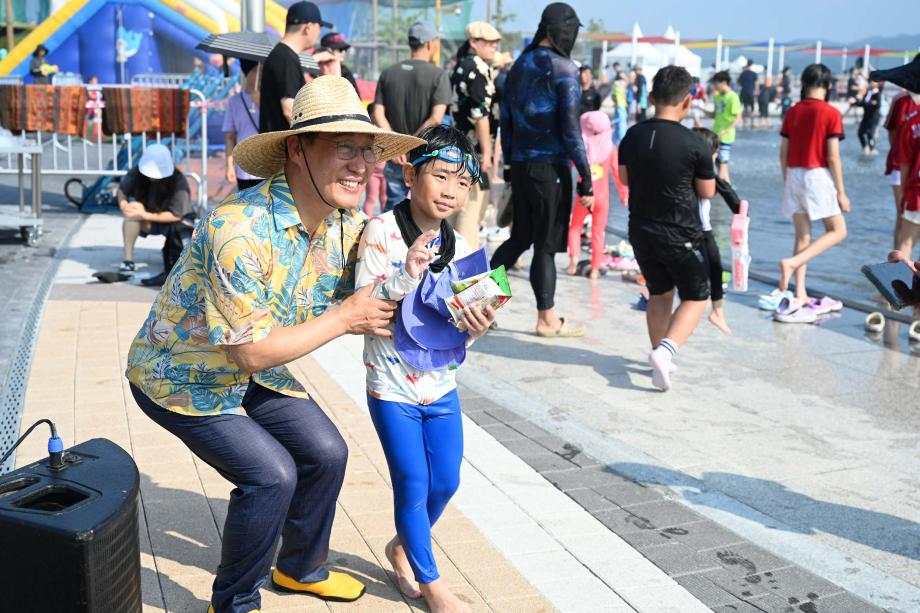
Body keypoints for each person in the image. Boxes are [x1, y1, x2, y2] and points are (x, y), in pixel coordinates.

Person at [124, 76, 424, 613]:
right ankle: (234, 601)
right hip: (180, 376)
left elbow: (391, 285)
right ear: (296, 148)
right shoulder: (238, 228)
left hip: (252, 372)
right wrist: (346, 317)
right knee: (271, 475)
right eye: (343, 148)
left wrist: (460, 303)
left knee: (326, 453)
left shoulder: (347, 225)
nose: (360, 164)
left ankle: (299, 568)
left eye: (367, 151)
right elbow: (251, 352)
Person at [355, 125, 495, 613]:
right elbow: (363, 305)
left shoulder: (459, 241)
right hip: (391, 385)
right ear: (410, 173)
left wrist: (479, 321)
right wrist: (406, 273)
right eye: (440, 176)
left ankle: (401, 546)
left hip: (441, 386)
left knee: (446, 482)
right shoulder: (380, 230)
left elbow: (460, 327)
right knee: (413, 482)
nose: (451, 191)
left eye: (462, 182)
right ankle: (432, 585)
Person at [491, 2, 592, 338]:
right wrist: (587, 179)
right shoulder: (564, 69)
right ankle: (547, 319)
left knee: (519, 238)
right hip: (551, 168)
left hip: (520, 164)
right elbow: (571, 130)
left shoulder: (518, 66)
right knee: (545, 247)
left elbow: (505, 120)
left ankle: (477, 303)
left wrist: (508, 165)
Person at [618, 65, 716, 391]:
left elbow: (624, 179)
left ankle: (659, 354)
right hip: (679, 232)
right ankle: (666, 351)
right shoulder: (695, 143)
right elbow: (707, 191)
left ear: (650, 97)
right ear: (688, 102)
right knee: (697, 295)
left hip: (640, 228)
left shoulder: (632, 135)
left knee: (659, 292)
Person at [777, 64, 850, 305]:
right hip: (816, 175)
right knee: (838, 230)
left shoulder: (793, 112)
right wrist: (841, 191)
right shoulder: (831, 113)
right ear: (827, 86)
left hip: (793, 174)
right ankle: (793, 263)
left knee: (802, 236)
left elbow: (783, 153)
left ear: (804, 83)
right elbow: (832, 156)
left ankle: (799, 292)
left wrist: (788, 180)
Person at [373, 22, 451, 211]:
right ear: (430, 43)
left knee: (393, 207)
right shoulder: (439, 75)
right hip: (423, 156)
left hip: (395, 157)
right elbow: (436, 118)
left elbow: (378, 113)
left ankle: (388, 241)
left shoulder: (388, 73)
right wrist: (412, 146)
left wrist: (396, 145)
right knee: (423, 210)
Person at [449, 20, 501, 249]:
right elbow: (480, 114)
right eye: (489, 42)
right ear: (474, 42)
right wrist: (487, 152)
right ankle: (467, 271)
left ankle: (443, 262)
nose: (494, 46)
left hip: (459, 145)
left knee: (456, 207)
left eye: (495, 42)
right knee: (471, 209)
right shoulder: (477, 69)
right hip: (474, 150)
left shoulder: (461, 66)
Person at [117, 144, 193, 287]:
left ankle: (171, 261)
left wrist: (144, 214)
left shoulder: (178, 180)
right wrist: (124, 205)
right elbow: (122, 191)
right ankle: (127, 260)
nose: (152, 177)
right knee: (132, 213)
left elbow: (176, 215)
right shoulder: (136, 173)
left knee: (177, 237)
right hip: (147, 218)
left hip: (173, 222)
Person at [565, 111, 628, 279]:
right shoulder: (611, 149)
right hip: (602, 197)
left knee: (575, 227)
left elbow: (568, 164)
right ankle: (594, 269)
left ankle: (573, 261)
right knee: (598, 232)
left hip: (583, 195)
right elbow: (617, 174)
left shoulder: (582, 147)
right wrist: (624, 194)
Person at [692, 127, 743, 334]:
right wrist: (740, 209)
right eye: (715, 153)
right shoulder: (701, 174)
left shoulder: (686, 171)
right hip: (698, 231)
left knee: (713, 268)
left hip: (695, 229)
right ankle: (705, 313)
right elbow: (720, 190)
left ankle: (715, 311)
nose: (715, 157)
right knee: (708, 270)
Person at [260, 1, 330, 133]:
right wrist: (312, 139)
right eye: (319, 26)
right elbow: (290, 109)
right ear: (308, 28)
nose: (319, 33)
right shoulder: (285, 58)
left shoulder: (283, 55)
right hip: (283, 148)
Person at [884, 90, 920, 248]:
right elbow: (892, 131)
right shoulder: (900, 99)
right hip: (900, 165)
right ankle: (897, 262)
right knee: (903, 214)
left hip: (913, 167)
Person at [223, 59, 262, 192]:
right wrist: (229, 165)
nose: (260, 74)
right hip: (244, 169)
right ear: (247, 73)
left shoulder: (271, 100)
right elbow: (230, 136)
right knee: (246, 207)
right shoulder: (235, 101)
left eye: (262, 70)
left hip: (268, 166)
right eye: (256, 71)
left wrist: (263, 104)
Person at [711, 71, 742, 182]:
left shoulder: (733, 97)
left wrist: (726, 130)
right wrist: (699, 109)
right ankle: (727, 186)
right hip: (715, 133)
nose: (714, 86)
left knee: (723, 163)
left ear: (724, 82)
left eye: (716, 84)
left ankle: (720, 188)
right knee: (718, 164)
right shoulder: (717, 97)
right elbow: (714, 115)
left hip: (726, 136)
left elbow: (738, 118)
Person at [853, 79, 883, 155]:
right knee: (860, 133)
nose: (872, 83)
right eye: (871, 81)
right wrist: (855, 102)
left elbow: (878, 104)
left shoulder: (877, 93)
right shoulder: (868, 92)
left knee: (870, 133)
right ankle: (865, 147)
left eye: (874, 81)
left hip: (873, 117)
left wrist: (869, 103)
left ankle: (872, 148)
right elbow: (863, 103)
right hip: (866, 116)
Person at [738, 60, 758, 129]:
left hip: (743, 92)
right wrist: (757, 91)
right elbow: (756, 83)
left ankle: (744, 122)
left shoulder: (742, 74)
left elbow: (739, 83)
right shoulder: (753, 74)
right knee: (752, 108)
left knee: (745, 107)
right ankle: (753, 122)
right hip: (751, 92)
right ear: (751, 65)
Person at [612, 70, 630, 144]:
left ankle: (615, 142)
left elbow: (613, 96)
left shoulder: (615, 84)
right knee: (621, 123)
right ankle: (621, 141)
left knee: (618, 124)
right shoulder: (619, 83)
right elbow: (627, 81)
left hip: (619, 105)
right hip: (621, 105)